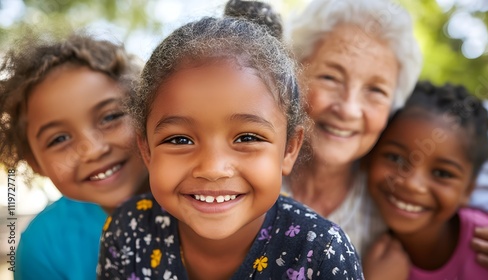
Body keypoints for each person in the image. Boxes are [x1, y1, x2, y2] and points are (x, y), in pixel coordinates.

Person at [98, 16, 363, 279]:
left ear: (289, 149)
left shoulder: (320, 252)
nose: (213, 169)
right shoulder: (127, 231)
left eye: (247, 138)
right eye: (180, 140)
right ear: (147, 152)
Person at [284, 0, 488, 273]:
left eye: (376, 90)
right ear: (293, 76)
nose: (349, 109)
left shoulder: (393, 198)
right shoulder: (252, 174)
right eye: (330, 77)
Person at [0, 33, 149, 279]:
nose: (92, 149)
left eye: (110, 117)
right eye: (59, 139)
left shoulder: (208, 200)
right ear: (35, 162)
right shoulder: (43, 245)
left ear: (145, 111)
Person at [366, 81, 488, 279]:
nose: (412, 184)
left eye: (442, 174)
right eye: (395, 158)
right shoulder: (362, 253)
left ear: (468, 191)